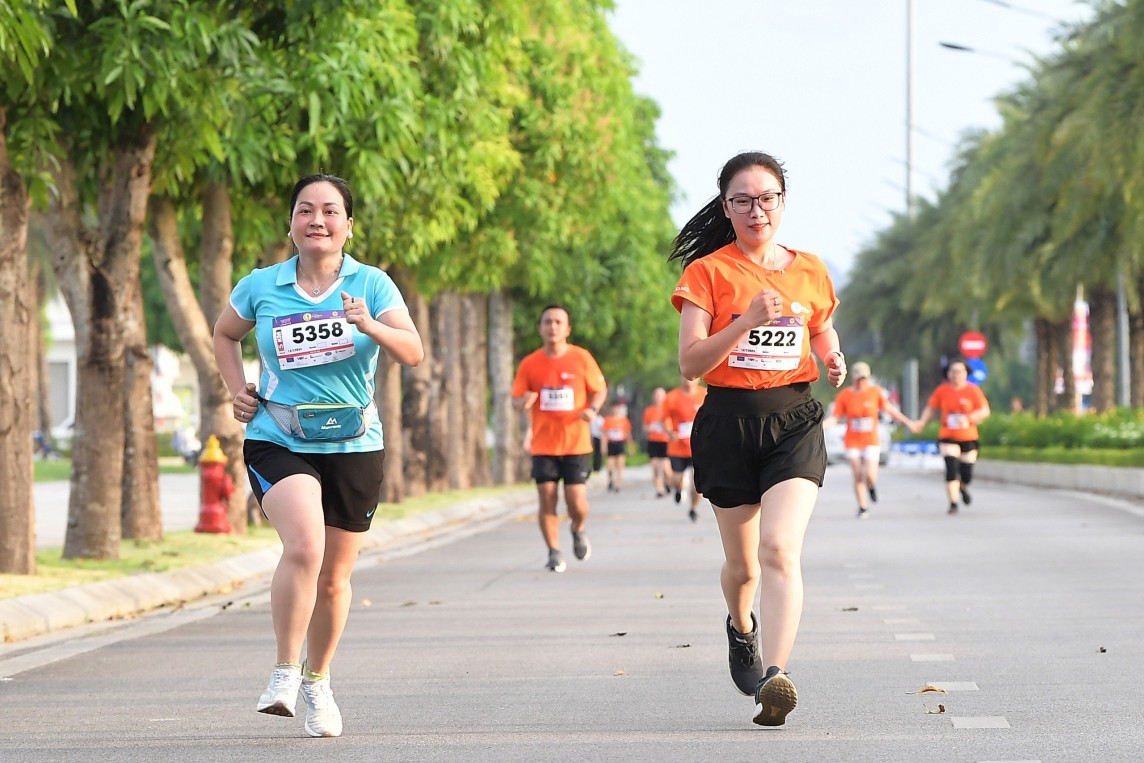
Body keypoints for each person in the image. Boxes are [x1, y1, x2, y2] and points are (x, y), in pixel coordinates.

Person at [213, 174, 424, 738]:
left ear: (348, 225)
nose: (317, 221)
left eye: (330, 211)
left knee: (333, 578)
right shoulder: (261, 285)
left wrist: (368, 324)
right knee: (305, 546)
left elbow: (413, 352)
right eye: (305, 210)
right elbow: (224, 334)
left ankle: (317, 681)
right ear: (291, 224)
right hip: (277, 435)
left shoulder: (372, 284)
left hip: (354, 443)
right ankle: (284, 672)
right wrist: (236, 389)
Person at [669, 151, 846, 727]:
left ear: (782, 202)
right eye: (742, 200)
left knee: (779, 549)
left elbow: (820, 327)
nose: (756, 210)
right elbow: (690, 364)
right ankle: (740, 625)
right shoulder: (708, 273)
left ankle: (775, 675)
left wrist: (831, 356)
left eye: (766, 198)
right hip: (728, 423)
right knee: (743, 567)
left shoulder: (810, 269)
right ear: (726, 207)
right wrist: (745, 321)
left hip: (793, 419)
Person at [512, 305, 608, 573]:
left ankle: (578, 527)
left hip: (576, 443)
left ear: (567, 329)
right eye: (547, 322)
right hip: (544, 444)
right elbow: (515, 400)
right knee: (547, 497)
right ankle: (553, 552)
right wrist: (523, 402)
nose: (552, 327)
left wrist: (593, 409)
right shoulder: (530, 363)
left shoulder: (581, 358)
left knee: (576, 500)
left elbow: (599, 390)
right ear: (539, 328)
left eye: (558, 322)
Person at [824, 361, 915, 518]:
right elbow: (835, 418)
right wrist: (820, 427)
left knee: (870, 475)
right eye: (859, 379)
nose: (861, 382)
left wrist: (908, 422)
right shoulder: (845, 395)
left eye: (864, 378)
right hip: (853, 441)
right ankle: (862, 506)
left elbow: (890, 410)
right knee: (858, 474)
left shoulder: (875, 392)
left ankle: (871, 486)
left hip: (871, 440)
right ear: (853, 378)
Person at [913, 358, 991, 514]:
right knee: (951, 468)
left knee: (967, 473)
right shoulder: (942, 391)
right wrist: (922, 422)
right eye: (953, 372)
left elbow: (985, 411)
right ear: (948, 374)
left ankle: (963, 487)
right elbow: (931, 408)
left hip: (968, 436)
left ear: (966, 373)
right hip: (948, 435)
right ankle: (953, 503)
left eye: (959, 372)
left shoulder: (973, 390)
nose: (956, 375)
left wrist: (969, 418)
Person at [662, 375, 707, 521]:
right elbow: (664, 419)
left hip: (699, 447)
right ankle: (679, 488)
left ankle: (693, 508)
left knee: (697, 483)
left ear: (698, 378)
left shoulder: (705, 394)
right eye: (685, 377)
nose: (689, 380)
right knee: (676, 479)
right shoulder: (672, 397)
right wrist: (670, 432)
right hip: (678, 447)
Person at [641, 387, 672, 497]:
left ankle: (668, 482)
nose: (658, 398)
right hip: (653, 441)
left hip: (665, 441)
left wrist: (668, 430)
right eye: (656, 395)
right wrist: (650, 428)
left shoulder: (669, 410)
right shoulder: (649, 410)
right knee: (655, 468)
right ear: (653, 397)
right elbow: (644, 427)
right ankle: (659, 490)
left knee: (666, 468)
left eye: (660, 395)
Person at [602, 400, 632, 492]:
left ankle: (618, 483)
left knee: (620, 465)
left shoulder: (624, 420)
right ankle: (610, 480)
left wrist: (630, 447)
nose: (615, 410)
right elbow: (605, 435)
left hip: (620, 443)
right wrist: (603, 446)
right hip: (611, 444)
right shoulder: (607, 420)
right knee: (610, 466)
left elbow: (628, 434)